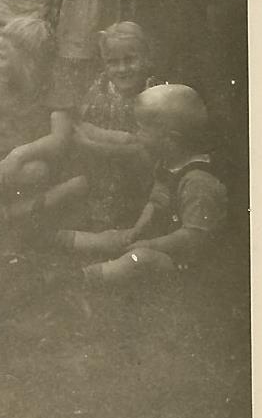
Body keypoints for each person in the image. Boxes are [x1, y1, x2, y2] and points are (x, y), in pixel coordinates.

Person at [52, 85, 227, 287]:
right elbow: (157, 200)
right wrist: (137, 230)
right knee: (115, 236)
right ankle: (53, 239)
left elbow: (193, 238)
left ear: (171, 140)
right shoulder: (167, 163)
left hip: (188, 262)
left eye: (142, 129)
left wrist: (151, 244)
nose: (136, 133)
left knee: (139, 259)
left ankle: (78, 279)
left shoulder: (198, 182)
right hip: (162, 239)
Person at [0, 16, 87, 223]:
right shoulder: (2, 88)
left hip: (28, 161)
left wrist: (19, 154)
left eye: (2, 57)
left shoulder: (55, 87)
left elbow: (59, 139)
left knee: (35, 171)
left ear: (27, 61)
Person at [73, 21, 157, 230]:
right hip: (102, 176)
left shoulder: (153, 91)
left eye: (130, 60)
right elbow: (80, 126)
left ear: (146, 59)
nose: (122, 69)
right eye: (113, 62)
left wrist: (96, 143)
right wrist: (123, 139)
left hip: (137, 182)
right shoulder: (101, 86)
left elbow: (145, 149)